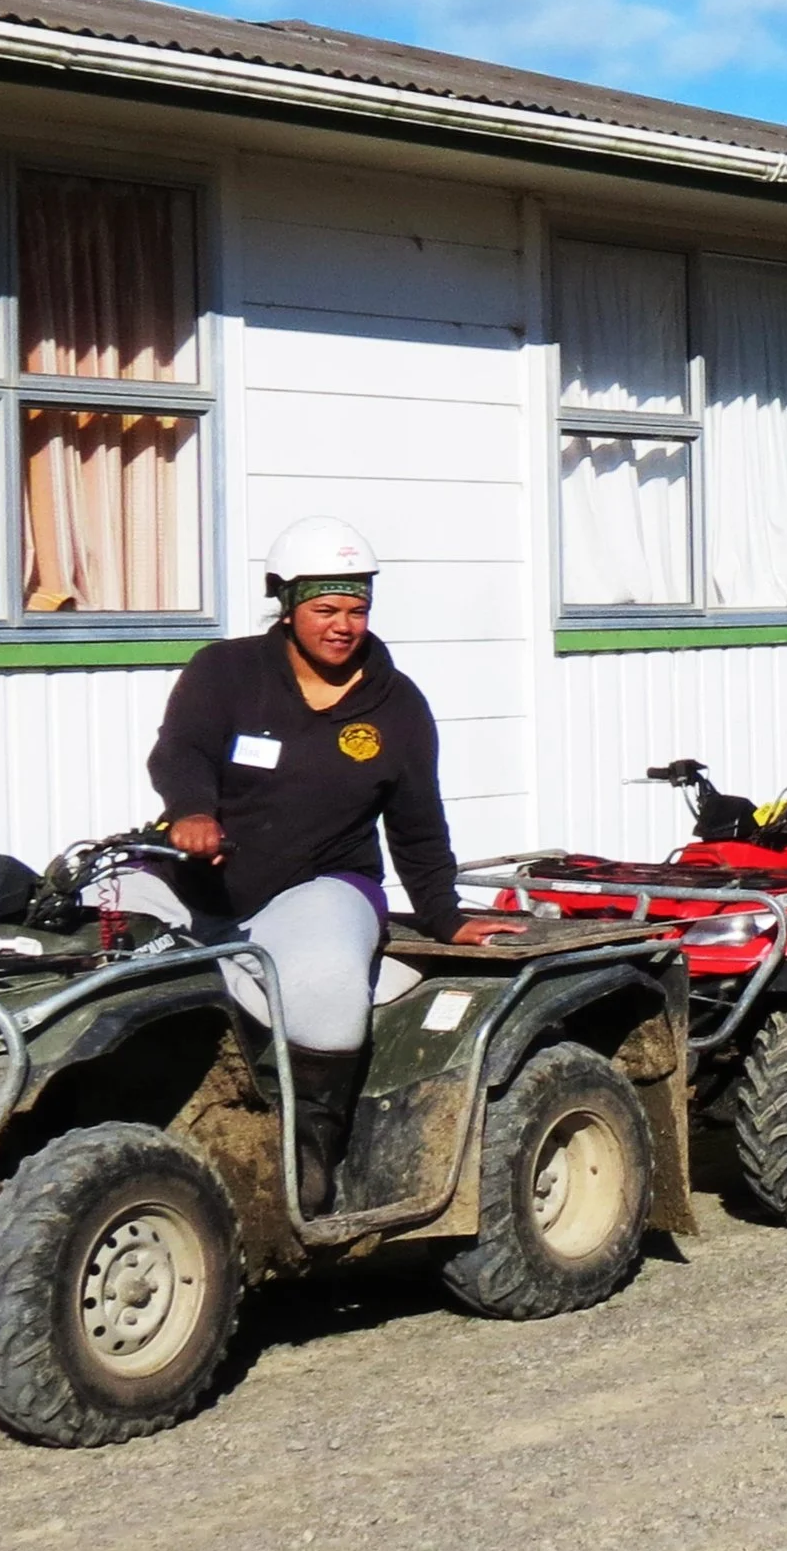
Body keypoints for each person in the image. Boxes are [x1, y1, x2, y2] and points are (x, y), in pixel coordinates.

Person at [136, 517, 521, 1212]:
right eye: (325, 609)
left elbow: (418, 824)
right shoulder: (225, 672)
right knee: (98, 938)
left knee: (324, 977)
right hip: (200, 878)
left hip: (319, 883)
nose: (343, 625)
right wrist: (191, 810)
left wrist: (445, 915)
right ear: (287, 606)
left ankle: (312, 1149)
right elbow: (180, 751)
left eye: (356, 609)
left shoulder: (396, 706)